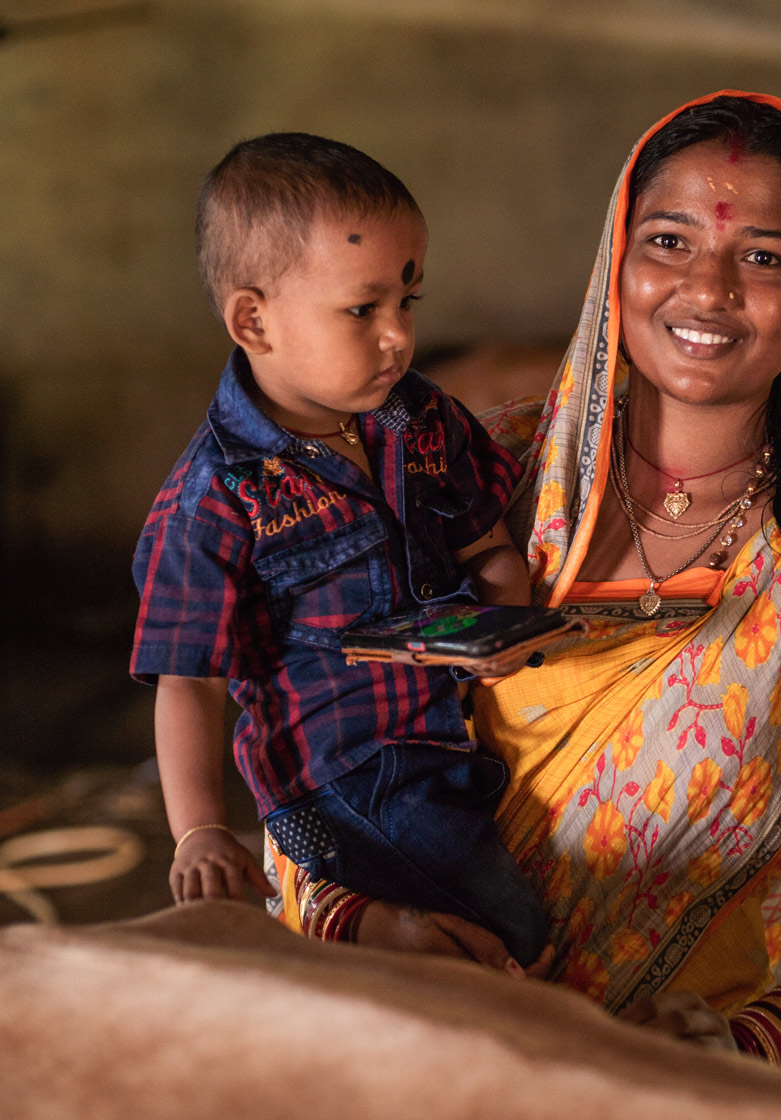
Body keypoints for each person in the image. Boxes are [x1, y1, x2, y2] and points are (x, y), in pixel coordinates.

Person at [266, 93, 781, 1073]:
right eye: (668, 241)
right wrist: (355, 914)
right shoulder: (474, 473)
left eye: (759, 256)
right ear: (615, 263)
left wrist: (737, 1049)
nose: (705, 289)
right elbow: (301, 736)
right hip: (397, 1038)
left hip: (656, 1077)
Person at [130, 132, 549, 969]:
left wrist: (507, 628)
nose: (398, 336)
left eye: (409, 300)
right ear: (254, 320)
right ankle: (340, 911)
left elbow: (491, 549)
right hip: (348, 777)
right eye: (363, 310)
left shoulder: (422, 420)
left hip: (463, 730)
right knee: (514, 936)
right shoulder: (216, 495)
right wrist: (202, 832)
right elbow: (189, 683)